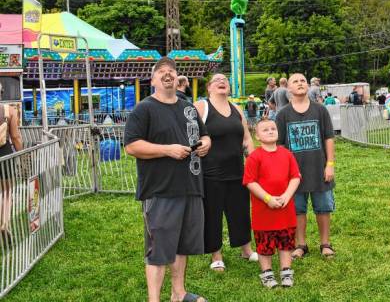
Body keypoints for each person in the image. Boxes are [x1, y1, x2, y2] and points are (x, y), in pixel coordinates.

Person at [124, 57, 211, 302]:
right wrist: (167, 150)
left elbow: (205, 136)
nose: (167, 74)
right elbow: (131, 146)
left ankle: (178, 293)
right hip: (160, 190)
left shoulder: (189, 107)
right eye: (161, 71)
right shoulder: (144, 109)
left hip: (192, 186)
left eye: (171, 71)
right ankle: (154, 299)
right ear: (152, 80)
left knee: (183, 245)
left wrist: (205, 144)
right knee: (158, 250)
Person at [194, 73, 257, 273]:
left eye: (225, 80)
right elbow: (189, 134)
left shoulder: (237, 109)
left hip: (238, 172)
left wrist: (255, 162)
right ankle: (216, 255)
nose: (222, 82)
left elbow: (246, 139)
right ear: (209, 88)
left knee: (240, 212)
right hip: (211, 174)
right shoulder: (201, 107)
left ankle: (246, 250)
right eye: (217, 80)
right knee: (212, 214)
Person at [276, 73, 336, 259]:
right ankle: (301, 244)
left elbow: (329, 138)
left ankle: (325, 243)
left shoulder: (320, 110)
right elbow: (280, 145)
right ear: (289, 89)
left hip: (319, 169)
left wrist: (330, 164)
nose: (300, 83)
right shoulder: (283, 114)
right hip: (294, 174)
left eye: (303, 80)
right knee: (297, 210)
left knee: (323, 207)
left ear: (307, 86)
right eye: (296, 81)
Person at [243, 119, 301, 288]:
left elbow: (295, 177)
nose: (270, 131)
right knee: (264, 244)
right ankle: (267, 273)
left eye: (273, 128)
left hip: (285, 210)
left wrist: (286, 196)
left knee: (286, 243)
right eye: (265, 129)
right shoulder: (254, 157)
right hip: (264, 212)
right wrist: (268, 198)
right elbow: (250, 182)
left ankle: (286, 270)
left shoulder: (287, 154)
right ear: (257, 136)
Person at [0, 87, 23, 245]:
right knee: (7, 192)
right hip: (4, 153)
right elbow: (15, 136)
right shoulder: (10, 110)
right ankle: (5, 223)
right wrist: (21, 154)